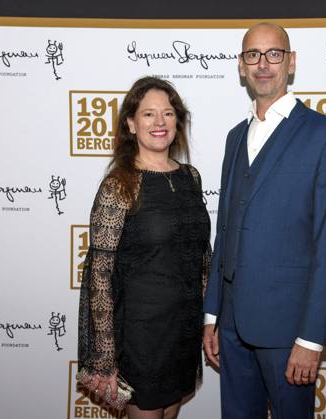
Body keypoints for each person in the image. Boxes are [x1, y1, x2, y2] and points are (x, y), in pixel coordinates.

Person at [202, 23, 326, 419]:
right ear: (241, 66)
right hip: (231, 326)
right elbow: (225, 231)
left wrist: (311, 338)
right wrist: (212, 315)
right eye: (253, 55)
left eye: (273, 54)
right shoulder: (235, 137)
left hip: (288, 330)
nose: (263, 64)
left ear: (291, 62)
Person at [78, 76, 211, 419]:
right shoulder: (119, 185)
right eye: (149, 114)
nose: (159, 123)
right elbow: (100, 274)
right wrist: (105, 356)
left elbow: (202, 257)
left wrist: (210, 321)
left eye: (168, 114)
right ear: (131, 123)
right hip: (140, 338)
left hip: (182, 333)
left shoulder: (190, 177)